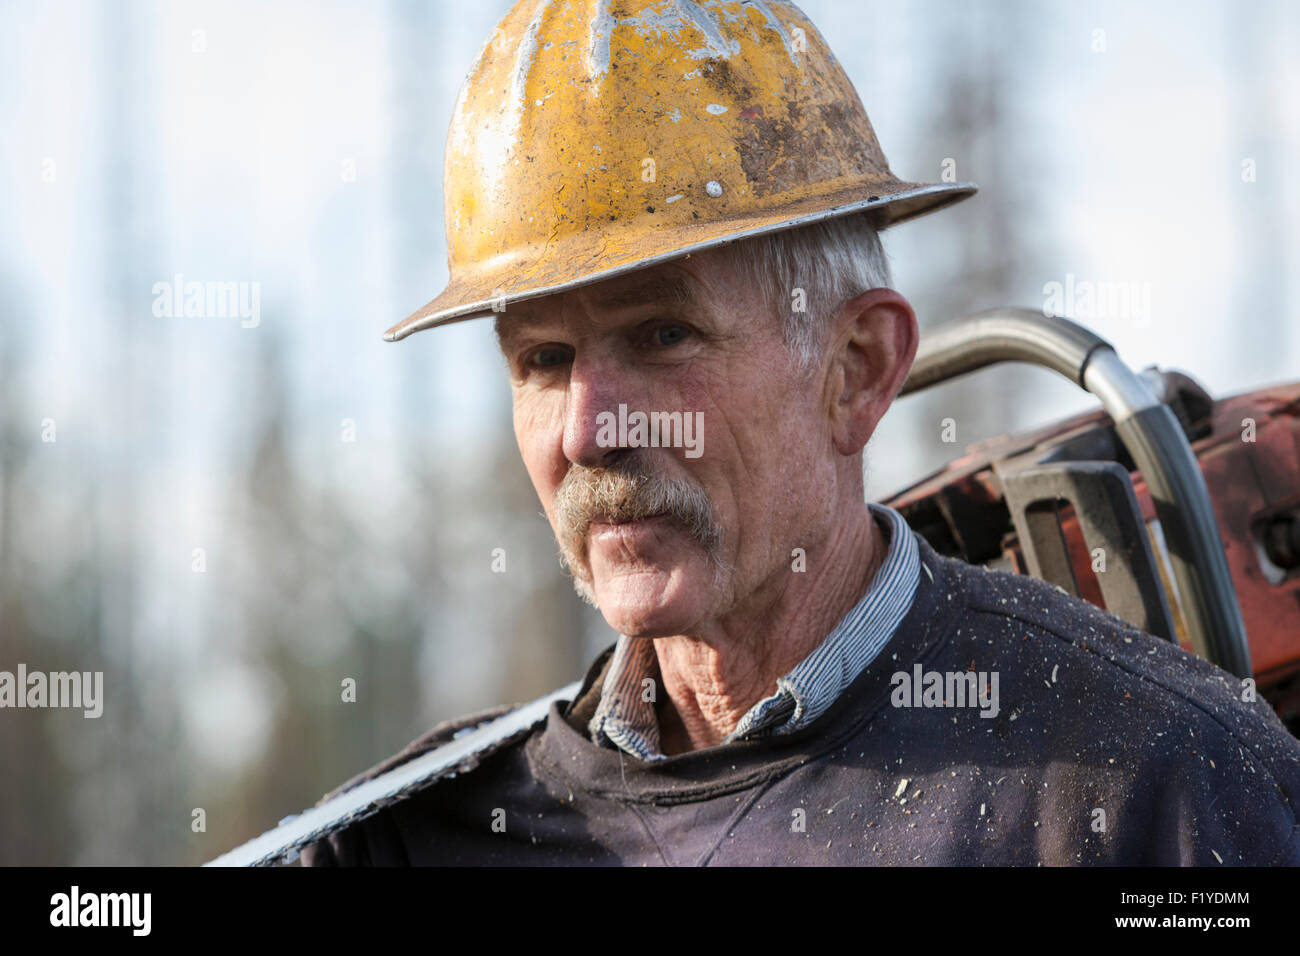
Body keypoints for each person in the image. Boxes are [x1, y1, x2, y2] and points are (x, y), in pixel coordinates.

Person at [301, 0, 1300, 866]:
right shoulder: (411, 839)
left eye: (662, 334)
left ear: (857, 366)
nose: (591, 428)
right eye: (543, 360)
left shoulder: (1148, 784)